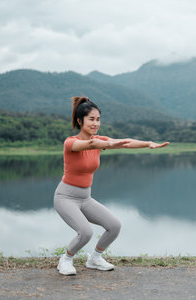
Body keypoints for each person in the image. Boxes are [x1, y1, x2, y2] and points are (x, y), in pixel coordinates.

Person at [54, 96, 169, 275]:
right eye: (91, 119)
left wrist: (148, 144)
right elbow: (92, 143)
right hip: (65, 197)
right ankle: (66, 260)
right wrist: (108, 144)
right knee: (85, 232)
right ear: (79, 120)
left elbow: (126, 142)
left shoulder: (100, 140)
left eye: (98, 119)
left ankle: (95, 258)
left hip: (85, 198)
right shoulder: (71, 143)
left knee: (114, 225)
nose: (96, 123)